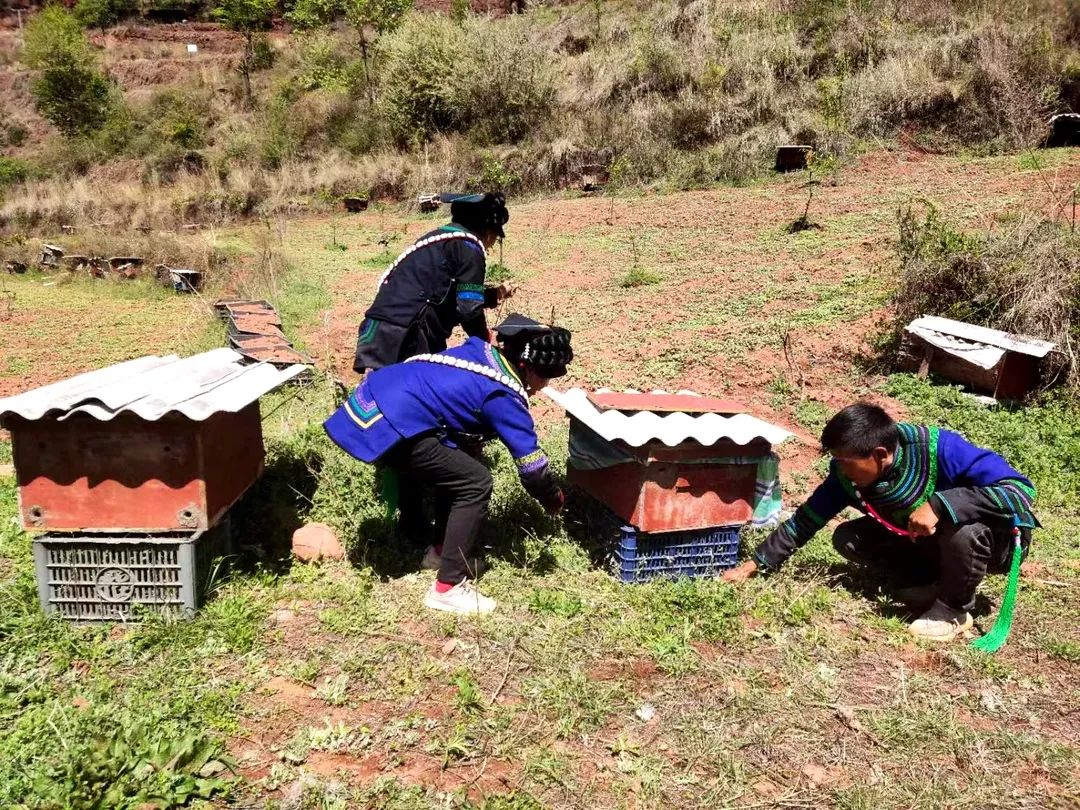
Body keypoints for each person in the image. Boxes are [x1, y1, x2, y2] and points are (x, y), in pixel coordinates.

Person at [723, 403, 1037, 642]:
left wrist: (941, 504)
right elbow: (806, 520)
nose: (841, 469)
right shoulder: (847, 477)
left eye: (846, 463)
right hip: (930, 542)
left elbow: (1020, 492)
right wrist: (756, 564)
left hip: (995, 544)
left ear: (880, 454)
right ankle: (930, 585)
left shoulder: (941, 449)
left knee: (963, 527)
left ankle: (954, 609)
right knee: (848, 538)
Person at [325, 313, 572, 615]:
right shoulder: (504, 393)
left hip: (373, 403)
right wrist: (553, 499)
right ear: (527, 366)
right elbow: (532, 469)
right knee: (475, 482)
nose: (544, 385)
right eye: (545, 376)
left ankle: (442, 554)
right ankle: (447, 588)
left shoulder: (482, 353)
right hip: (388, 424)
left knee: (459, 468)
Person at [353, 192, 512, 374]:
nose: (492, 243)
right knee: (411, 396)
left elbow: (445, 293)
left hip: (380, 330)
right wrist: (485, 345)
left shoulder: (436, 239)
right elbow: (468, 309)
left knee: (383, 392)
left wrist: (495, 294)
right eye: (495, 235)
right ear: (486, 229)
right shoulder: (469, 247)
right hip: (408, 336)